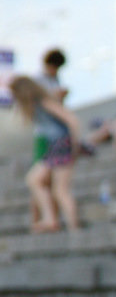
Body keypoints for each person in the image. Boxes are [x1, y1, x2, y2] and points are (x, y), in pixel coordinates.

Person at [9, 76, 81, 232]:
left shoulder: (43, 101)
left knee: (60, 189)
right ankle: (51, 219)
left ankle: (73, 228)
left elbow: (71, 119)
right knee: (35, 180)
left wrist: (75, 144)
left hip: (61, 144)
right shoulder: (36, 105)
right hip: (54, 146)